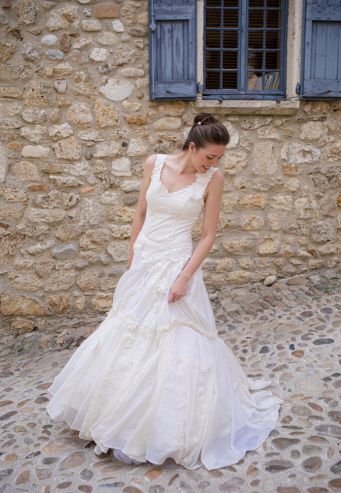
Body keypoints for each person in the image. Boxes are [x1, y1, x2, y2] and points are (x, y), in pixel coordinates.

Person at [46, 112, 283, 470]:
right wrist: (133, 256)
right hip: (146, 259)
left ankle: (161, 428)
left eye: (219, 158)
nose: (214, 163)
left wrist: (184, 277)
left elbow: (207, 236)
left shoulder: (213, 180)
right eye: (209, 156)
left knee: (175, 338)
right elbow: (140, 212)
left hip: (176, 263)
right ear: (192, 147)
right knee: (126, 330)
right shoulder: (154, 164)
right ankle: (113, 415)